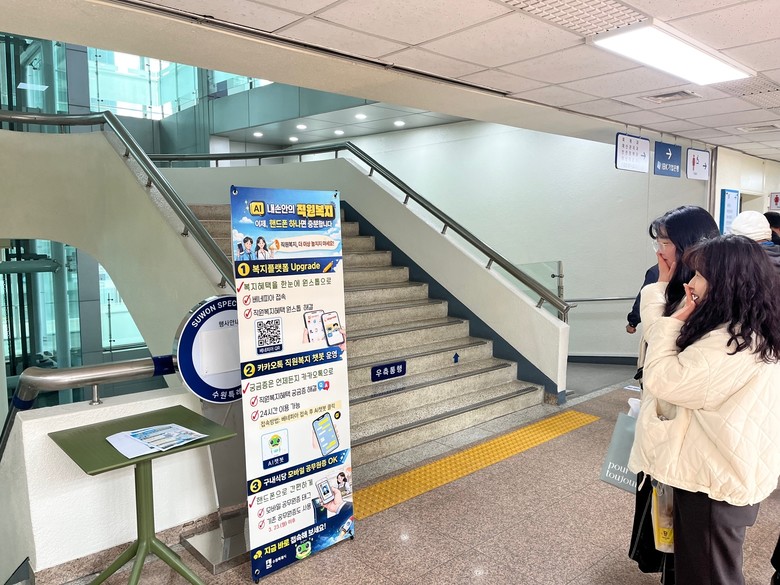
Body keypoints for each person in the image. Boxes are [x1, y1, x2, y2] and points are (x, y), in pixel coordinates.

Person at [629, 234, 780, 585]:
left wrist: (677, 316)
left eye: (699, 275)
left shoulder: (729, 343)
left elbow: (662, 378)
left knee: (710, 575)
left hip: (714, 482)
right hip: (719, 469)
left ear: (726, 282)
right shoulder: (747, 327)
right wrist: (665, 292)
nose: (690, 283)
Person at [628, 205, 719, 583]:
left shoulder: (707, 295)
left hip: (688, 437)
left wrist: (660, 291)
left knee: (689, 546)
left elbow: (663, 356)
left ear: (690, 244)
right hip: (667, 427)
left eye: (665, 242)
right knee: (665, 526)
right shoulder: (671, 281)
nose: (659, 251)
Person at [626, 265, 659, 334]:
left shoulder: (655, 272)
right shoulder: (684, 268)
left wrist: (633, 322)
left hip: (660, 324)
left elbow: (644, 298)